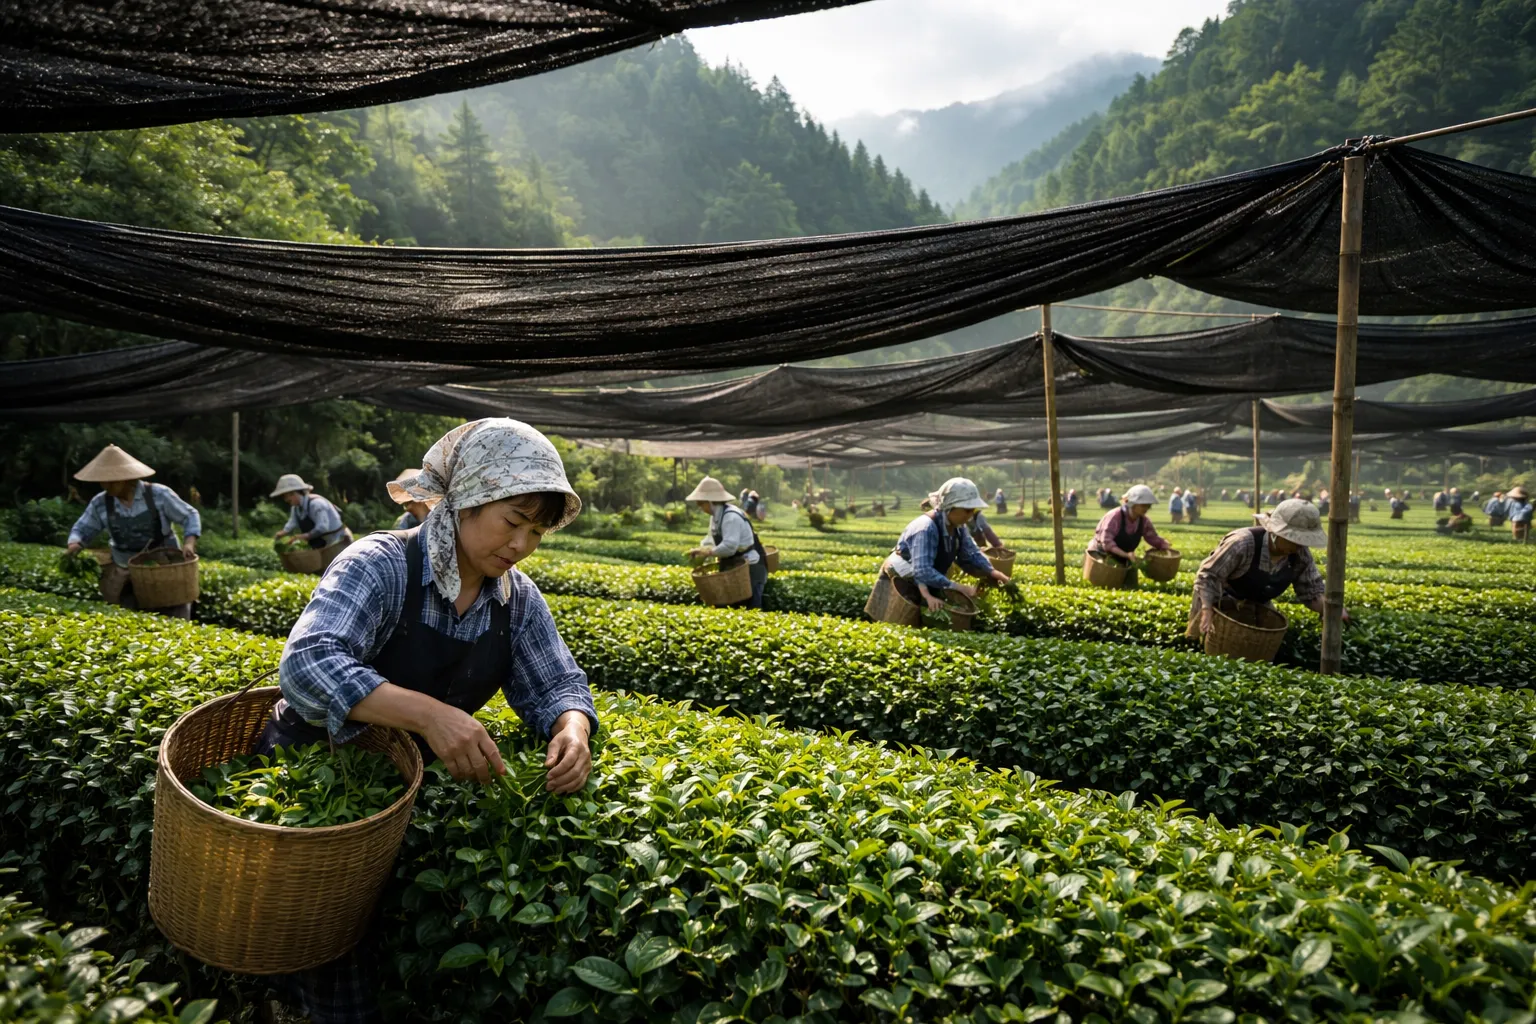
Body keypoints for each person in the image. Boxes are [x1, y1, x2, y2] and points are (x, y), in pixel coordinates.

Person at [262, 418, 597, 1024]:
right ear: (465, 501)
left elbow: (558, 682)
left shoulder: (517, 598)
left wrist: (572, 728)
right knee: (332, 947)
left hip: (403, 787)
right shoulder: (381, 564)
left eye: (536, 532)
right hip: (323, 772)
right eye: (512, 522)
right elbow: (308, 663)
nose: (521, 545)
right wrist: (430, 715)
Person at [64, 444, 201, 618]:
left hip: (164, 567)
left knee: (174, 614)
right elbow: (83, 528)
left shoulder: (158, 494)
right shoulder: (101, 503)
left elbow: (189, 515)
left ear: (127, 478)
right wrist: (75, 543)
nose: (106, 485)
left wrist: (189, 543)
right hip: (125, 570)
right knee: (128, 617)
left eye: (112, 481)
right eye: (103, 481)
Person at [1188, 498, 1348, 643]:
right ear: (1276, 533)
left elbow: (1311, 590)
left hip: (1256, 603)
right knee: (1206, 643)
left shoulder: (1300, 554)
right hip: (1217, 600)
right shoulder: (1242, 543)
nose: (1299, 545)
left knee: (1255, 649)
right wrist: (1207, 609)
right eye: (1294, 539)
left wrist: (1331, 609)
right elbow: (1208, 575)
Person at [880, 478, 1009, 615]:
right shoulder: (926, 528)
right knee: (901, 619)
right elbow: (923, 570)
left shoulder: (959, 527)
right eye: (967, 510)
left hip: (923, 583)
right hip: (899, 582)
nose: (970, 515)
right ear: (950, 507)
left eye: (973, 510)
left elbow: (971, 553)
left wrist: (992, 571)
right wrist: (958, 587)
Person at [687, 476, 768, 609]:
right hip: (734, 566)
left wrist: (708, 552)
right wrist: (700, 550)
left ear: (710, 501)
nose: (700, 507)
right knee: (732, 606)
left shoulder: (731, 517)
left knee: (751, 607)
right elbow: (710, 539)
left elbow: (729, 547)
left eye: (700, 503)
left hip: (750, 566)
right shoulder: (715, 517)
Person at [1087, 485, 1172, 590]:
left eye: (1148, 506)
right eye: (1143, 505)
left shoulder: (1144, 521)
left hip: (1125, 557)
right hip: (1102, 554)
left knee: (1131, 587)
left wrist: (1163, 544)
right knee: (1106, 583)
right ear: (1132, 503)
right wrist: (1126, 555)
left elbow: (1152, 537)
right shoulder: (1115, 516)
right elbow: (1107, 543)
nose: (1146, 509)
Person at [272, 474, 352, 551]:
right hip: (322, 544)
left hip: (338, 541)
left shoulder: (316, 504)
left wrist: (304, 536)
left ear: (295, 493)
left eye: (287, 496)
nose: (286, 500)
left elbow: (322, 527)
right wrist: (282, 533)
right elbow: (292, 523)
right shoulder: (296, 508)